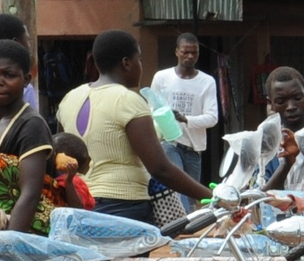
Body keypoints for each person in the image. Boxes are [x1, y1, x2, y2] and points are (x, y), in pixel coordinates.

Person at [55, 29, 207, 224]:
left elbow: (62, 149)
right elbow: (160, 168)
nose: (141, 66)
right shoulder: (129, 100)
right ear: (126, 63)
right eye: (139, 60)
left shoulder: (70, 98)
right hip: (123, 206)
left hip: (77, 200)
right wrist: (211, 196)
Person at [0, 38, 60, 231]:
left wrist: (10, 244)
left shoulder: (31, 125)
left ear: (26, 80)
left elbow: (30, 195)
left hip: (24, 234)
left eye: (8, 75)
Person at [150, 34, 221, 187]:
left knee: (190, 194)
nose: (190, 56)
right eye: (185, 52)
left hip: (194, 149)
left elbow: (212, 118)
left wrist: (185, 119)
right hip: (170, 144)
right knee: (177, 191)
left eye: (194, 52)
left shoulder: (207, 82)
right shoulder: (161, 77)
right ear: (177, 52)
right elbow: (152, 110)